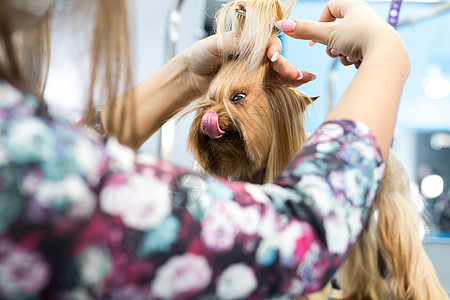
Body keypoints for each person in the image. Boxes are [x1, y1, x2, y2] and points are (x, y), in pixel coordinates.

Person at [0, 0, 409, 299]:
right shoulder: (30, 169)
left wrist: (185, 75)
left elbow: (73, 150)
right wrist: (386, 55)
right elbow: (304, 241)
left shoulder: (26, 144)